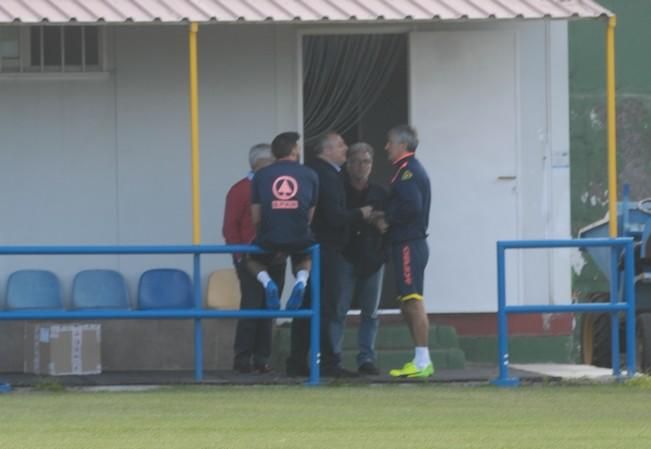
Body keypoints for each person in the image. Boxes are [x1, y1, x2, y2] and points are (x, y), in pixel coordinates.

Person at [285, 131, 372, 377]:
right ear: (326, 150)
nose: (346, 148)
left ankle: (298, 361)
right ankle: (328, 363)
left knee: (309, 306)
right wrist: (360, 213)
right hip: (326, 249)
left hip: (316, 248)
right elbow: (333, 216)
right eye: (341, 145)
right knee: (327, 306)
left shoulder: (323, 173)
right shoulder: (325, 175)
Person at [373, 125, 433, 378]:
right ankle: (419, 358)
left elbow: (412, 206)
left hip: (409, 243)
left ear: (402, 145)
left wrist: (387, 217)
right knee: (406, 302)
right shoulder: (404, 170)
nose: (386, 147)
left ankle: (423, 360)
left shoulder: (408, 171)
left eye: (389, 142)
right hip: (405, 243)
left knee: (413, 300)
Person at [223, 143, 280, 374]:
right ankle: (243, 358)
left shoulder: (276, 189)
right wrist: (239, 256)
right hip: (249, 257)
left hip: (275, 255)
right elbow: (230, 227)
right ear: (260, 164)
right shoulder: (240, 190)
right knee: (252, 305)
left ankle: (262, 358)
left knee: (269, 309)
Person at [247, 132, 319, 314]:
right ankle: (301, 281)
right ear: (294, 150)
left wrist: (264, 236)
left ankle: (267, 282)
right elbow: (309, 216)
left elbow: (256, 217)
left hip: (270, 235)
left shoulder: (261, 176)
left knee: (252, 260)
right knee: (305, 258)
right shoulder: (310, 175)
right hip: (300, 235)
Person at [332, 142, 387, 376]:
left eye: (366, 161)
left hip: (373, 255)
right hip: (345, 255)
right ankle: (333, 357)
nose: (361, 166)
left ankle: (366, 358)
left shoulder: (380, 193)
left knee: (371, 312)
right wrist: (363, 216)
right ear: (348, 163)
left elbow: (385, 222)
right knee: (338, 309)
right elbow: (337, 218)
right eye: (356, 161)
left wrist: (373, 218)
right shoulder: (339, 190)